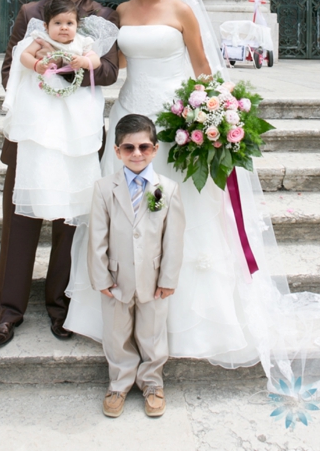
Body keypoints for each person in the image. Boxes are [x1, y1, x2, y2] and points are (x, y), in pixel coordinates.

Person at [64, 0, 320, 396]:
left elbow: (203, 69)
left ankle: (183, 321)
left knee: (176, 219)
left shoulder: (181, 12)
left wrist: (214, 116)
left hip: (177, 127)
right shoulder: (120, 14)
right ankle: (120, 313)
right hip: (130, 124)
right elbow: (113, 65)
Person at [0, 0, 120, 348]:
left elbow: (112, 71)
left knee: (70, 226)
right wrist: (41, 81)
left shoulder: (103, 18)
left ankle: (60, 308)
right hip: (33, 136)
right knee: (20, 224)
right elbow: (11, 67)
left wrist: (69, 72)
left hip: (78, 138)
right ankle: (8, 312)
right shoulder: (31, 13)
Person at [88, 114, 184, 418]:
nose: (137, 153)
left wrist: (168, 278)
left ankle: (153, 383)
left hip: (153, 278)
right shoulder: (104, 188)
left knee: (153, 333)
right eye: (128, 148)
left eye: (144, 146)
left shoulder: (167, 189)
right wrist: (101, 276)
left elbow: (174, 239)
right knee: (117, 334)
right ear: (117, 151)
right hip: (116, 278)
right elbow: (97, 237)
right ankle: (119, 383)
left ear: (155, 149)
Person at [2, 0, 116, 226]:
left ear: (77, 25)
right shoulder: (41, 38)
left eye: (69, 24)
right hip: (42, 106)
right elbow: (21, 56)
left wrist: (83, 62)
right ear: (46, 26)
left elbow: (96, 61)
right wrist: (37, 64)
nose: (64, 28)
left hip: (72, 110)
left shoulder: (82, 42)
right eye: (58, 23)